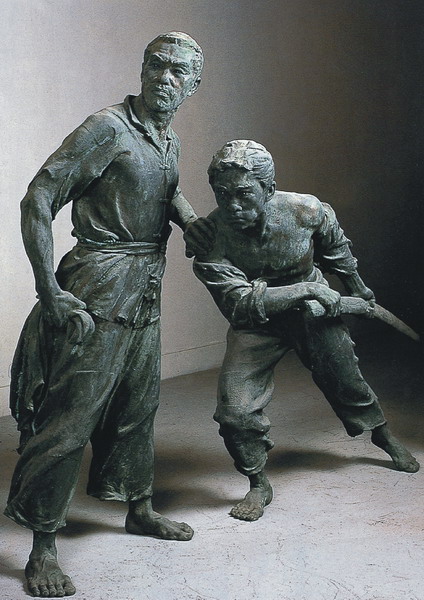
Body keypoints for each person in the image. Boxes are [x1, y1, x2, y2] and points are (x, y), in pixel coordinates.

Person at [5, 32, 213, 598]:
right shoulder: (108, 128)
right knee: (70, 419)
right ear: (143, 68)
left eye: (178, 72)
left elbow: (166, 190)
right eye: (157, 66)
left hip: (145, 289)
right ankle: (43, 546)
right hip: (97, 289)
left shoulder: (165, 136)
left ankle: (138, 509)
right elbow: (39, 196)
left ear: (193, 85)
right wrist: (48, 289)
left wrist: (190, 221)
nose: (165, 78)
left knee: (137, 407)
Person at [193, 139, 419, 523]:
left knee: (346, 380)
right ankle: (257, 482)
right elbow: (240, 304)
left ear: (268, 188)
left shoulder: (305, 210)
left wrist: (359, 290)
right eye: (223, 194)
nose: (233, 205)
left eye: (244, 193)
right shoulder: (210, 239)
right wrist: (307, 290)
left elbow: (336, 249)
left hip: (313, 313)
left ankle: (382, 435)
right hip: (257, 324)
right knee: (234, 410)